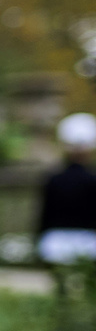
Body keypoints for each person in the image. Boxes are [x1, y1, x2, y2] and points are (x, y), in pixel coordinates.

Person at [39, 112, 96, 266]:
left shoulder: (54, 179)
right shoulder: (92, 180)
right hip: (88, 244)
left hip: (54, 245)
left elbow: (44, 216)